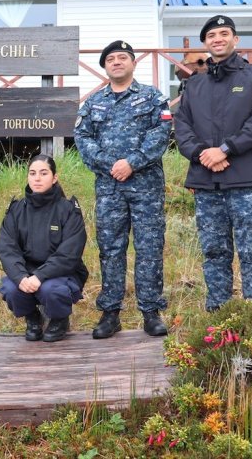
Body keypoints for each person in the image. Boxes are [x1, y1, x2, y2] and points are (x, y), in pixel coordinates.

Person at [174, 15, 252, 312]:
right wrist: (202, 154)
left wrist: (225, 149)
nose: (217, 39)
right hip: (206, 183)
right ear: (205, 43)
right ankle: (219, 316)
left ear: (236, 40)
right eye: (211, 35)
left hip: (245, 180)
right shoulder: (193, 85)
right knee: (214, 252)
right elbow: (182, 127)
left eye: (224, 33)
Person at [74, 40, 172, 339]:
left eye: (123, 57)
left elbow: (162, 132)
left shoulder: (153, 98)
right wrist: (110, 165)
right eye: (111, 59)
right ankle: (111, 312)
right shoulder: (93, 103)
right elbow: (82, 137)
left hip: (146, 187)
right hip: (110, 189)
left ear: (132, 63)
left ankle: (151, 312)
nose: (117, 62)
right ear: (105, 66)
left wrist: (132, 162)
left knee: (150, 249)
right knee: (111, 249)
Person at [0, 155, 88, 343]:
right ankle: (32, 319)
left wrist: (39, 276)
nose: (37, 178)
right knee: (10, 288)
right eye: (32, 173)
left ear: (54, 178)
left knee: (51, 290)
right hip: (26, 272)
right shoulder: (16, 210)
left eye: (43, 173)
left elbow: (69, 253)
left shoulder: (68, 210)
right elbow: (7, 249)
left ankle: (59, 320)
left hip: (61, 274)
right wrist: (21, 277)